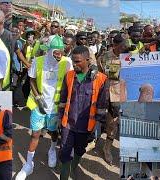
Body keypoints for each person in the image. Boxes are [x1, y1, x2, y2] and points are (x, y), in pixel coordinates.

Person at [16, 35, 73, 180]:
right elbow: (32, 79)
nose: (59, 55)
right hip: (38, 105)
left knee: (53, 132)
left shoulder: (67, 63)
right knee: (35, 134)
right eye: (56, 52)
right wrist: (38, 97)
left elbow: (70, 82)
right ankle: (28, 165)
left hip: (54, 107)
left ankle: (52, 149)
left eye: (61, 52)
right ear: (48, 51)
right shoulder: (38, 61)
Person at [58, 45, 109, 179]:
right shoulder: (69, 76)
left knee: (79, 150)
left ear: (87, 60)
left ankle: (73, 168)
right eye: (73, 61)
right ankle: (64, 176)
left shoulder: (101, 79)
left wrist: (98, 126)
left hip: (86, 126)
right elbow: (63, 99)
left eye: (78, 61)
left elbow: (102, 106)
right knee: (65, 152)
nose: (74, 64)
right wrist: (59, 119)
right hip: (68, 124)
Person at [97, 34, 127, 164]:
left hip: (119, 94)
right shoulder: (104, 57)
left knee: (113, 124)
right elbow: (100, 76)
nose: (125, 48)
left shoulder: (131, 57)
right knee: (97, 120)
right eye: (122, 46)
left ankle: (107, 148)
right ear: (115, 45)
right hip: (104, 94)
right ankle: (92, 141)